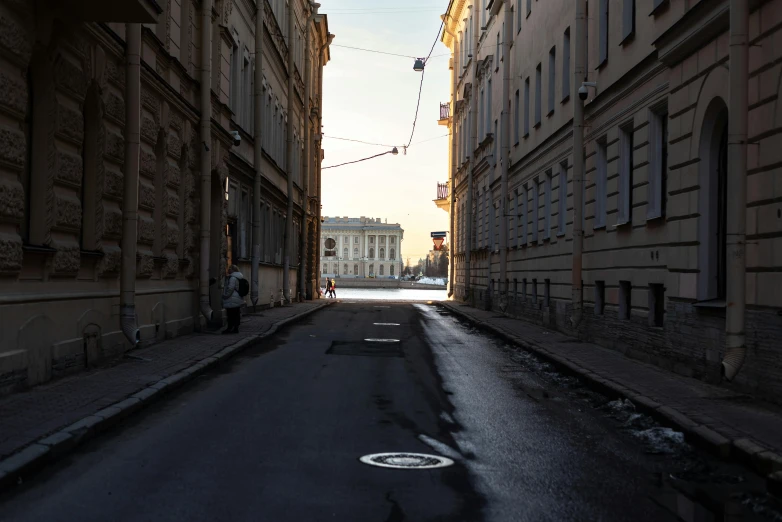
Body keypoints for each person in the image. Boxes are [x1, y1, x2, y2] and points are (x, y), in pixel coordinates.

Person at [222, 265, 245, 334]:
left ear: (233, 270)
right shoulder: (239, 277)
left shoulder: (232, 278)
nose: (228, 270)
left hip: (232, 298)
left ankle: (229, 328)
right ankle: (235, 328)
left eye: (229, 268)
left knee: (230, 314)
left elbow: (230, 288)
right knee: (236, 313)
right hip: (237, 297)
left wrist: (225, 296)